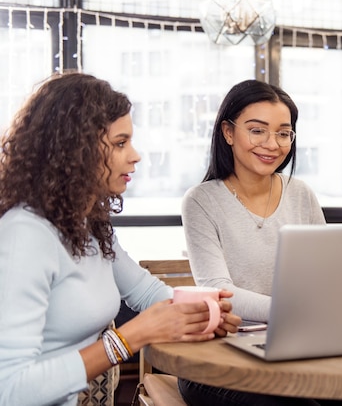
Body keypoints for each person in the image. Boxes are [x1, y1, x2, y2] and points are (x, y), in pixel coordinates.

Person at [0, 72, 241, 406]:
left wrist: (202, 313)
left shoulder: (90, 226)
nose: (135, 155)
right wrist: (130, 337)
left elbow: (146, 292)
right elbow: (9, 389)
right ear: (73, 150)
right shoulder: (24, 235)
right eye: (119, 143)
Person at [179, 80, 329, 405]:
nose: (272, 144)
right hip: (219, 359)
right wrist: (296, 312)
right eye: (257, 130)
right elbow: (219, 291)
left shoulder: (301, 194)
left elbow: (325, 276)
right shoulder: (201, 201)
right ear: (228, 133)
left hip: (296, 349)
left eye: (283, 132)